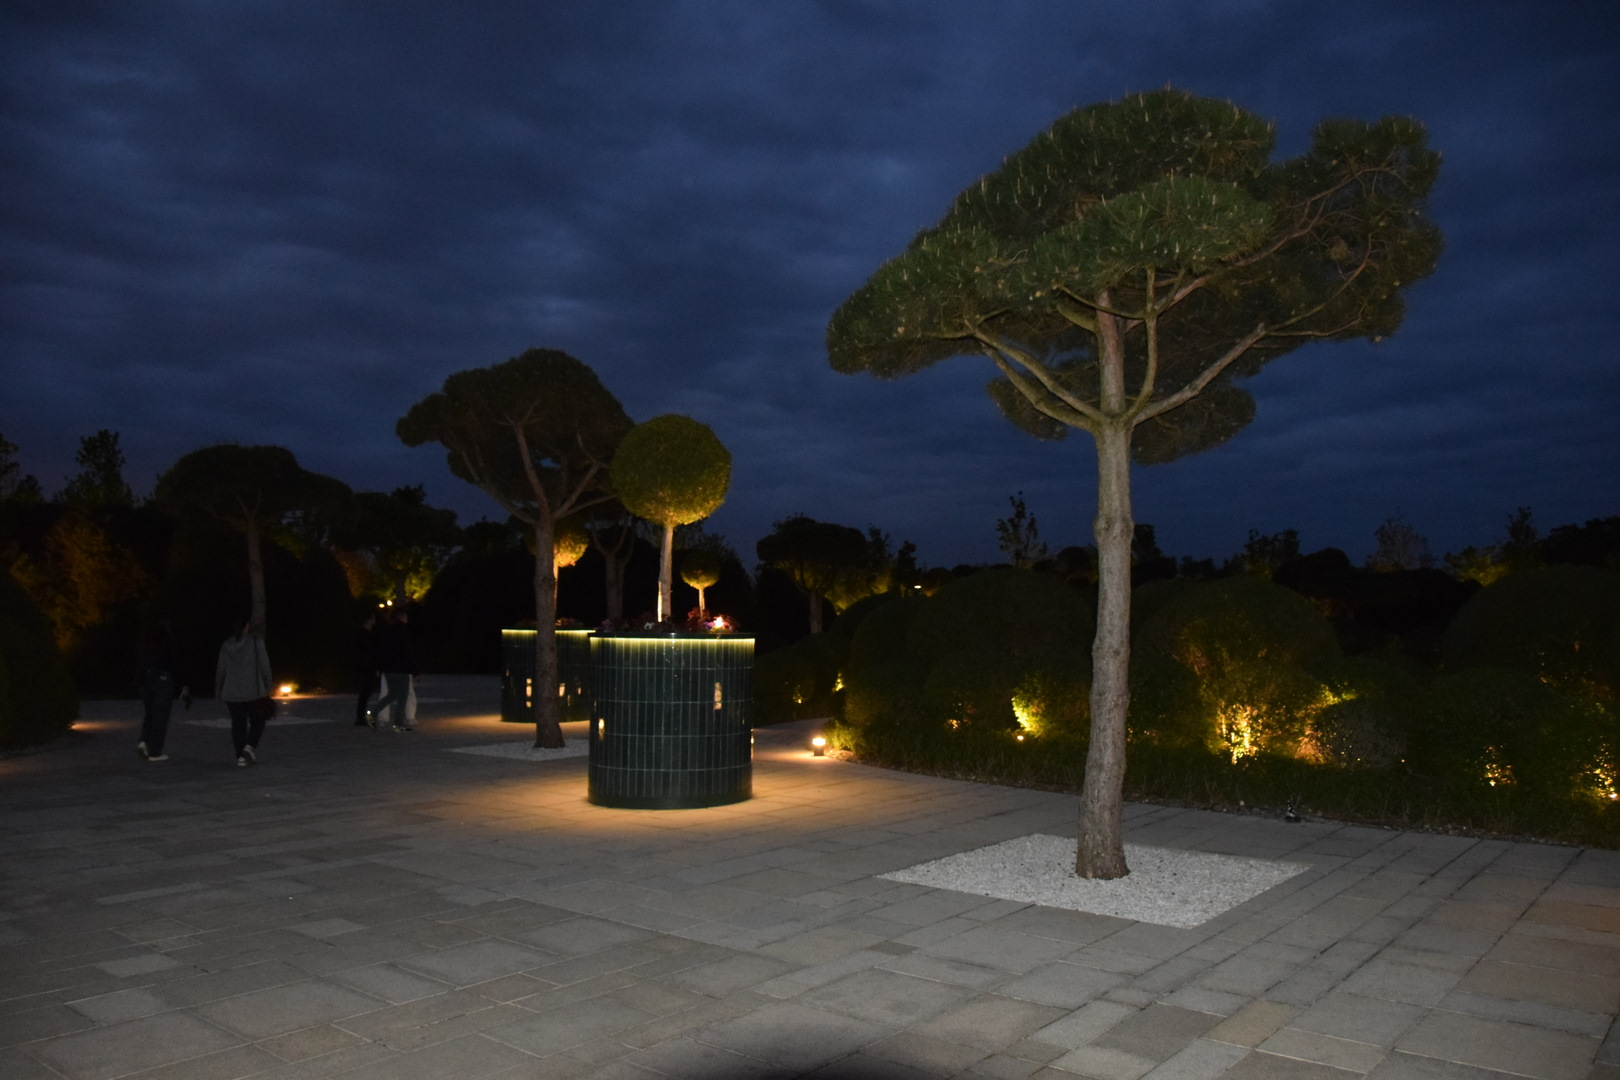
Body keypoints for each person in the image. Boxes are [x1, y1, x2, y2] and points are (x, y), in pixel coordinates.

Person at [215, 617, 272, 766]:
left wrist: (218, 689)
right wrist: (268, 684)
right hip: (254, 690)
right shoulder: (256, 642)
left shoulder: (227, 644)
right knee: (258, 720)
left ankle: (240, 755)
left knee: (238, 724)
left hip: (231, 691)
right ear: (247, 625)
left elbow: (221, 669)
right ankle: (250, 746)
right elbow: (264, 665)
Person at [135, 620, 187, 762]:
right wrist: (182, 682)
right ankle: (155, 751)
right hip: (162, 679)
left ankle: (144, 740)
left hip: (144, 680)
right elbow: (173, 661)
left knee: (150, 713)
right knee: (161, 715)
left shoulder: (144, 640)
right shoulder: (167, 639)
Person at [370, 610, 417, 732]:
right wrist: (414, 671)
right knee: (402, 697)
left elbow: (381, 650)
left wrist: (379, 667)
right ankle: (398, 724)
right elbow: (410, 652)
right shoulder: (406, 632)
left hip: (388, 669)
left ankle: (372, 714)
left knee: (392, 694)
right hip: (402, 669)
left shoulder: (387, 631)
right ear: (403, 618)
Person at [354, 612, 380, 727]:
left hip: (365, 666)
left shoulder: (364, 634)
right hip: (366, 667)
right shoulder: (365, 635)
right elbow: (370, 652)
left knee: (365, 692)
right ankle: (360, 717)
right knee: (365, 692)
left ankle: (360, 716)